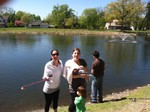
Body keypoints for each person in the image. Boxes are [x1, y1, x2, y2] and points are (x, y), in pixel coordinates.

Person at [63, 48, 89, 112]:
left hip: (82, 86)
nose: (76, 54)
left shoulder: (83, 61)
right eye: (75, 53)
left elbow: (87, 70)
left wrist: (84, 68)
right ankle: (70, 110)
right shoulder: (69, 63)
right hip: (73, 86)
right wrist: (80, 75)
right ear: (72, 54)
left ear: (80, 54)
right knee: (74, 102)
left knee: (81, 101)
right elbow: (69, 76)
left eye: (78, 53)